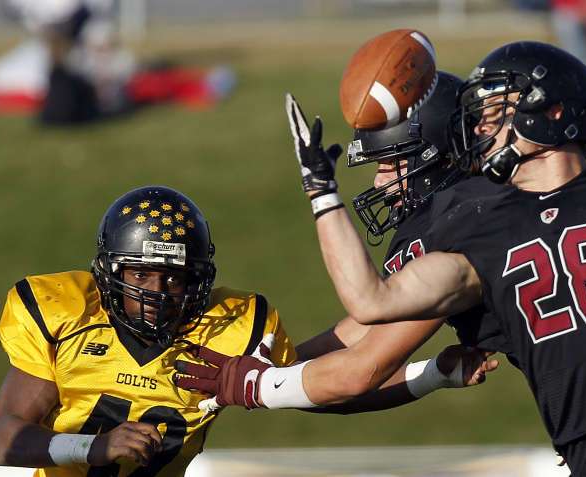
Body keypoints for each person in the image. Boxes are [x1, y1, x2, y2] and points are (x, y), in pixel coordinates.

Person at [237, 42, 586, 475]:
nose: (480, 129)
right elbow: (368, 303)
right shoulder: (481, 230)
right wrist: (322, 194)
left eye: (495, 111)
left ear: (552, 113)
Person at [173, 72, 503, 412]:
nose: (379, 182)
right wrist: (276, 371)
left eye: (391, 164)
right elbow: (357, 341)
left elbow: (359, 372)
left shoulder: (462, 229)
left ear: (438, 155)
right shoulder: (477, 210)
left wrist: (257, 384)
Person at [0, 186, 297, 476]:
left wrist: (268, 383)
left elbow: (327, 391)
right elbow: (1, 439)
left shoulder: (231, 329)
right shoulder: (69, 316)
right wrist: (93, 447)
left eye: (173, 278)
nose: (157, 293)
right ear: (111, 272)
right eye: (141, 274)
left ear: (196, 279)